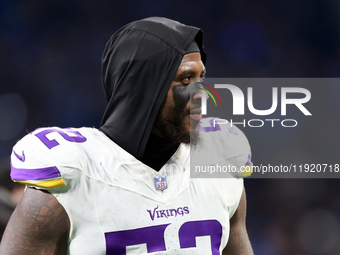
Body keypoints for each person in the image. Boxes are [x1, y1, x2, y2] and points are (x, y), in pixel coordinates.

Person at [0, 17, 253, 254]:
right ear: (142, 88)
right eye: (185, 80)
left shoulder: (219, 160)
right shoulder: (74, 175)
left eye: (201, 78)